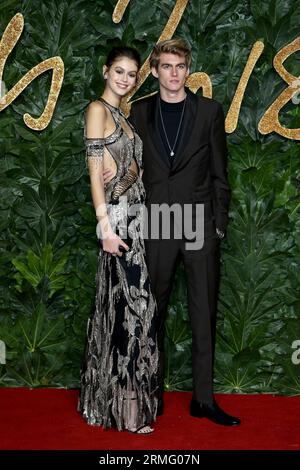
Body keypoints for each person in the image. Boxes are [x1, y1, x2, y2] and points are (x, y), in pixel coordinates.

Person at [104, 38, 241, 426]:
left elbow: (220, 172)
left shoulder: (209, 112)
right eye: (166, 66)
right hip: (156, 222)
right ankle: (151, 392)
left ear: (188, 68)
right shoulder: (139, 111)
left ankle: (203, 400)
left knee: (203, 312)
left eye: (180, 66)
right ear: (154, 71)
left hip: (198, 223)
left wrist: (218, 223)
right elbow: (127, 168)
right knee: (153, 312)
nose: (174, 73)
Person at [78, 46, 159, 434]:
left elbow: (132, 169)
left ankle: (119, 403)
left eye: (131, 74)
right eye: (119, 72)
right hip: (118, 223)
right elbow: (95, 174)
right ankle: (125, 410)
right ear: (106, 70)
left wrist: (129, 171)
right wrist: (105, 227)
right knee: (130, 312)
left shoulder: (123, 117)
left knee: (132, 312)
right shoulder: (97, 110)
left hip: (136, 220)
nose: (125, 79)